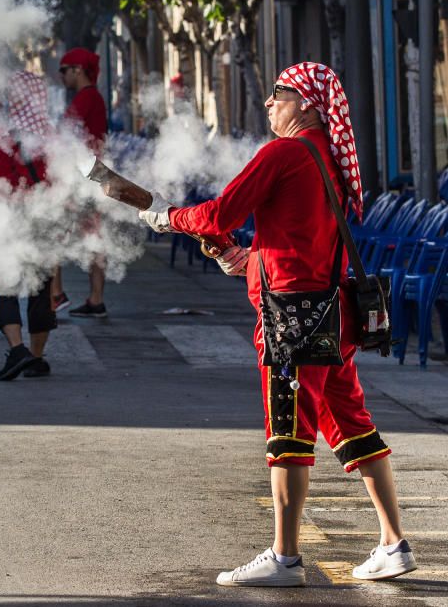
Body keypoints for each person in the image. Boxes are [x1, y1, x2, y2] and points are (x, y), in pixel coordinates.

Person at [139, 62, 416, 587]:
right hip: (330, 313)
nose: (269, 103)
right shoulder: (324, 157)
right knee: (354, 426)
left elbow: (220, 212)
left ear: (307, 105)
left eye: (279, 94)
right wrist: (244, 260)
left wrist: (168, 217)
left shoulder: (286, 152)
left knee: (287, 435)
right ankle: (392, 543)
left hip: (294, 319)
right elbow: (299, 241)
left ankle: (285, 558)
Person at [0, 72, 57, 381]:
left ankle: (16, 349)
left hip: (5, 220)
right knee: (40, 289)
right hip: (41, 219)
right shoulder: (50, 136)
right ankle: (37, 358)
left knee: (6, 285)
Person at [50, 47, 110, 317]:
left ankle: (56, 294)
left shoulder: (86, 99)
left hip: (81, 179)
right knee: (92, 238)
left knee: (53, 232)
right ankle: (94, 299)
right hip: (89, 177)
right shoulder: (90, 97)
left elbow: (66, 136)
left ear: (77, 70)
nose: (62, 76)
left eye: (65, 70)